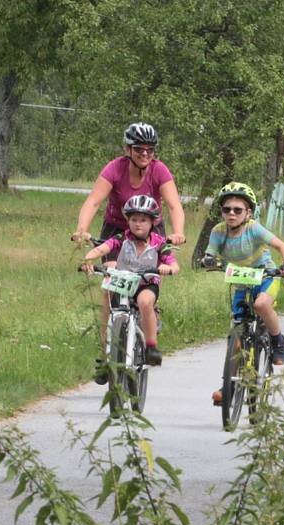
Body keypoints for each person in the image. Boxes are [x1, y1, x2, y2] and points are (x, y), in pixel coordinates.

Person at [71, 122, 186, 355]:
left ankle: (147, 317)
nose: (145, 154)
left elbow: (174, 205)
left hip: (151, 231)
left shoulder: (159, 170)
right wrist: (82, 229)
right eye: (139, 149)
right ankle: (105, 349)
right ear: (128, 149)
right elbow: (94, 201)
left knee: (148, 281)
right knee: (110, 286)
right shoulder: (115, 168)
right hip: (116, 231)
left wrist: (178, 232)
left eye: (150, 150)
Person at [200, 182, 284, 406]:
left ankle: (277, 340)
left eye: (237, 210)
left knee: (262, 305)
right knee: (237, 335)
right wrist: (209, 260)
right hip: (242, 283)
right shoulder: (218, 232)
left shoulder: (253, 229)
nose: (231, 214)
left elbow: (282, 246)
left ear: (248, 212)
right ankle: (229, 383)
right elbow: (209, 254)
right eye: (226, 209)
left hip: (265, 277)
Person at [82, 195, 179, 384]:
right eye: (134, 219)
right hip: (124, 281)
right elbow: (102, 249)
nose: (138, 224)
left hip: (146, 283)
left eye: (143, 220)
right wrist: (88, 259)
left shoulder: (159, 243)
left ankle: (151, 346)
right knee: (109, 302)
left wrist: (169, 268)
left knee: (144, 302)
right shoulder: (121, 238)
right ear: (127, 221)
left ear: (152, 222)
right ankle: (106, 354)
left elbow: (173, 262)